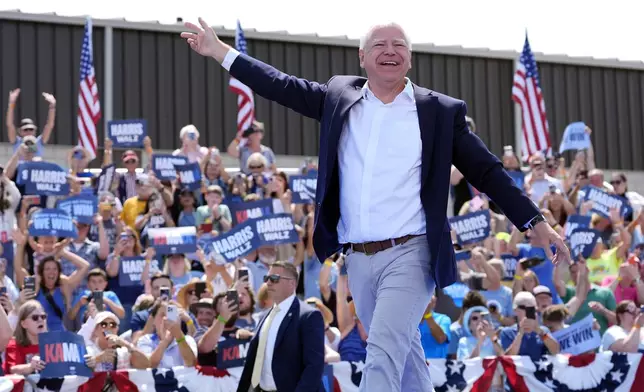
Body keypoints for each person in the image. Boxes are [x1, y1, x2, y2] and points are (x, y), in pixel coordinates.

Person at [181, 19, 569, 392]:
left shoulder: (439, 112)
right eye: (380, 45)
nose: (390, 51)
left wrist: (533, 219)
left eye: (399, 45)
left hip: (412, 254)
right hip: (359, 261)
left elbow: (486, 171)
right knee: (407, 364)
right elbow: (280, 85)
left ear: (410, 58)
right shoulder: (337, 96)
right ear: (362, 56)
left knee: (382, 354)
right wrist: (221, 52)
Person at [235, 261, 324, 392]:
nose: (268, 283)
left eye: (274, 278)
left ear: (292, 284)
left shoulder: (309, 316)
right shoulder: (264, 316)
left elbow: (314, 366)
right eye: (267, 278)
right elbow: (252, 364)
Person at [3, 301, 48, 375]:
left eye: (43, 317)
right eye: (35, 317)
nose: (40, 320)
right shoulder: (14, 343)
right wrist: (31, 366)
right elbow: (13, 369)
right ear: (23, 324)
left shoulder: (54, 343)